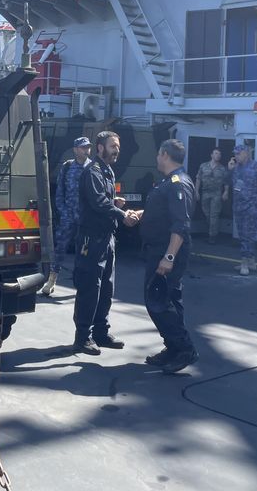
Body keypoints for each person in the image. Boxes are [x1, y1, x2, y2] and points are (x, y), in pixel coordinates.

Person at [72, 130, 139, 355]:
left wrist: (115, 201)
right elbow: (98, 202)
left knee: (106, 288)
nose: (117, 150)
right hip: (91, 238)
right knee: (90, 287)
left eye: (118, 146)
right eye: (113, 146)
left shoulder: (107, 170)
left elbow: (103, 199)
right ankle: (83, 337)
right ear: (100, 148)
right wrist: (122, 214)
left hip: (107, 237)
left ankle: (101, 332)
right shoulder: (92, 171)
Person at [136, 139, 199, 374]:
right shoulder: (169, 182)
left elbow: (180, 224)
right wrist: (142, 213)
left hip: (167, 251)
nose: (156, 158)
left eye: (158, 154)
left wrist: (169, 257)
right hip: (158, 248)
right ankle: (172, 348)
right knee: (169, 301)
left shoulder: (177, 183)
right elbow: (164, 212)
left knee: (158, 302)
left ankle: (185, 349)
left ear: (164, 154)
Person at [41, 136, 92, 296]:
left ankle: (81, 282)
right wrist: (62, 211)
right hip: (68, 216)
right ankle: (52, 280)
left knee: (83, 251)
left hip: (85, 217)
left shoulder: (93, 167)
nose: (86, 150)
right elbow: (60, 191)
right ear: (76, 149)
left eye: (88, 147)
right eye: (83, 147)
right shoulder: (68, 166)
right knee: (60, 249)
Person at [231, 144, 257, 276]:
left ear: (246, 153)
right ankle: (251, 261)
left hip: (250, 208)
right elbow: (234, 185)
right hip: (238, 207)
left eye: (238, 154)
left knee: (248, 235)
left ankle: (244, 263)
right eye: (235, 154)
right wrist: (230, 169)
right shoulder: (236, 168)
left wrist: (256, 205)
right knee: (243, 235)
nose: (236, 156)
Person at [195, 148, 229, 244]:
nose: (218, 155)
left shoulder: (222, 168)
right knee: (207, 213)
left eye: (219, 154)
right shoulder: (203, 166)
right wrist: (196, 191)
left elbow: (226, 181)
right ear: (211, 155)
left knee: (214, 214)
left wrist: (226, 192)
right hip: (205, 192)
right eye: (216, 153)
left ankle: (212, 236)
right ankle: (211, 231)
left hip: (216, 193)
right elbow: (198, 179)